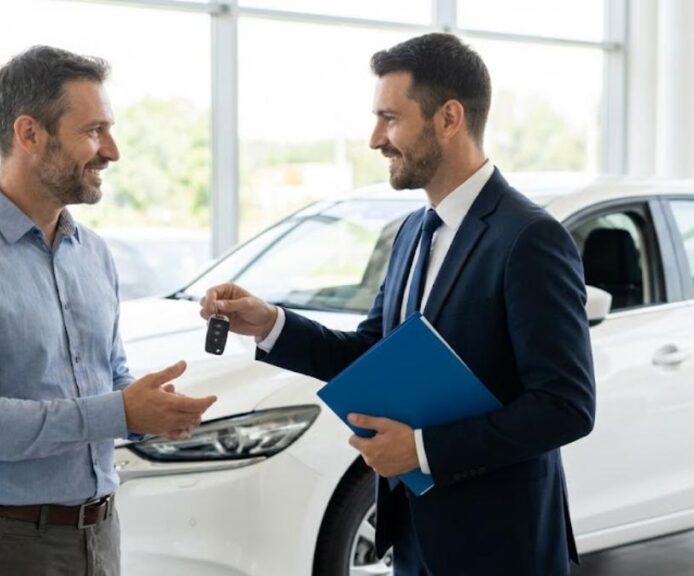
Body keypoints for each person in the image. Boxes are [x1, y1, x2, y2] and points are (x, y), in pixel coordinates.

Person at [201, 33, 596, 575]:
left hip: (503, 546)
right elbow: (374, 354)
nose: (374, 139)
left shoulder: (529, 238)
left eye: (390, 118)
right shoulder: (413, 231)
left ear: (448, 118)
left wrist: (424, 451)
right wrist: (270, 324)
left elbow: (565, 405)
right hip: (414, 538)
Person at [0, 45, 216, 576]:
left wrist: (152, 412)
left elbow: (109, 379)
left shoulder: (92, 252)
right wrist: (120, 411)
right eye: (93, 131)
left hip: (99, 535)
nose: (111, 150)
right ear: (29, 134)